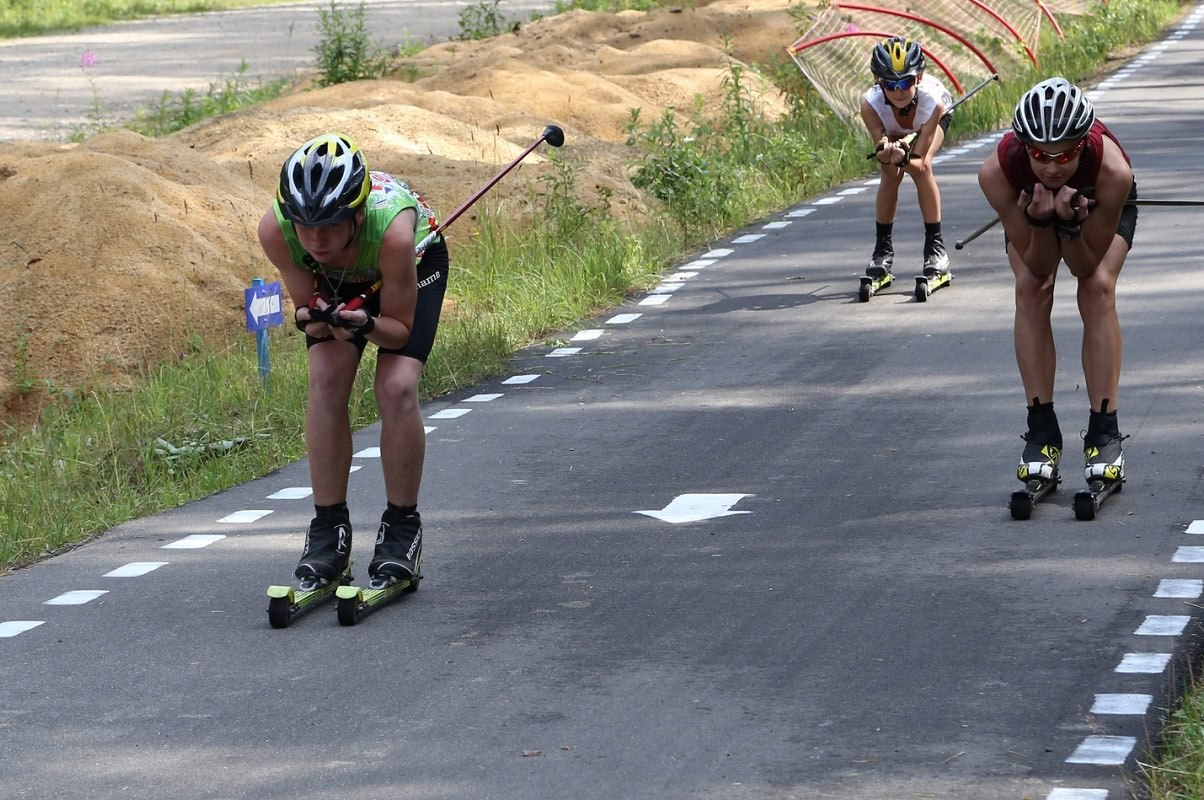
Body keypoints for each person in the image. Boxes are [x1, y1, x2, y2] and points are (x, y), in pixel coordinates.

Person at [257, 133, 448, 586]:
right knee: (326, 379)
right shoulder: (276, 232)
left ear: (357, 215)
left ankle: (401, 528)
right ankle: (328, 531)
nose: (316, 239)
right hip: (339, 281)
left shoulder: (395, 235)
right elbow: (310, 314)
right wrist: (317, 317)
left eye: (330, 225)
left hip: (412, 267)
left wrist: (363, 323)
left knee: (396, 385)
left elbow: (397, 330)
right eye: (305, 226)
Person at [978, 77, 1136, 489]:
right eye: (1038, 154)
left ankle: (1104, 431)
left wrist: (1069, 225)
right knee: (1031, 287)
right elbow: (1040, 263)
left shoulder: (1112, 169)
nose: (1051, 166)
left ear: (1083, 144)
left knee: (1097, 287)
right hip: (1032, 212)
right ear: (1023, 146)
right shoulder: (997, 174)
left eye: (1065, 154)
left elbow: (1083, 265)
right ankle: (1041, 430)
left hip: (1097, 207)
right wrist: (1038, 220)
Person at [859, 35, 954, 281]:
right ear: (879, 83)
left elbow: (918, 162)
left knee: (923, 171)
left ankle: (936, 247)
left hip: (930, 117)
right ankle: (882, 249)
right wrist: (889, 155)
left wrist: (904, 159)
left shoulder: (932, 103)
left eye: (906, 83)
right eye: (890, 85)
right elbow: (884, 153)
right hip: (892, 122)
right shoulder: (870, 105)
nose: (898, 91)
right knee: (889, 175)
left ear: (918, 78)